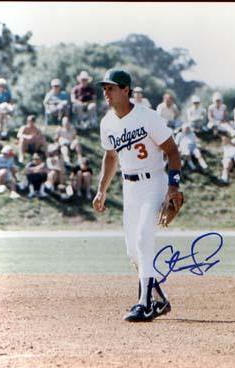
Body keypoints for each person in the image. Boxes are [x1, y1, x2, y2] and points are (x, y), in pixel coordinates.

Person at [92, 69, 183, 322]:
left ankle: (144, 304)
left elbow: (173, 152)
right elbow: (111, 157)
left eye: (111, 87)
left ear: (126, 90)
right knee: (133, 251)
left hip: (154, 182)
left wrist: (173, 186)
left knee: (144, 239)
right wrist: (102, 189)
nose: (106, 93)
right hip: (129, 188)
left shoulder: (147, 117)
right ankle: (159, 300)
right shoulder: (107, 122)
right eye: (105, 88)